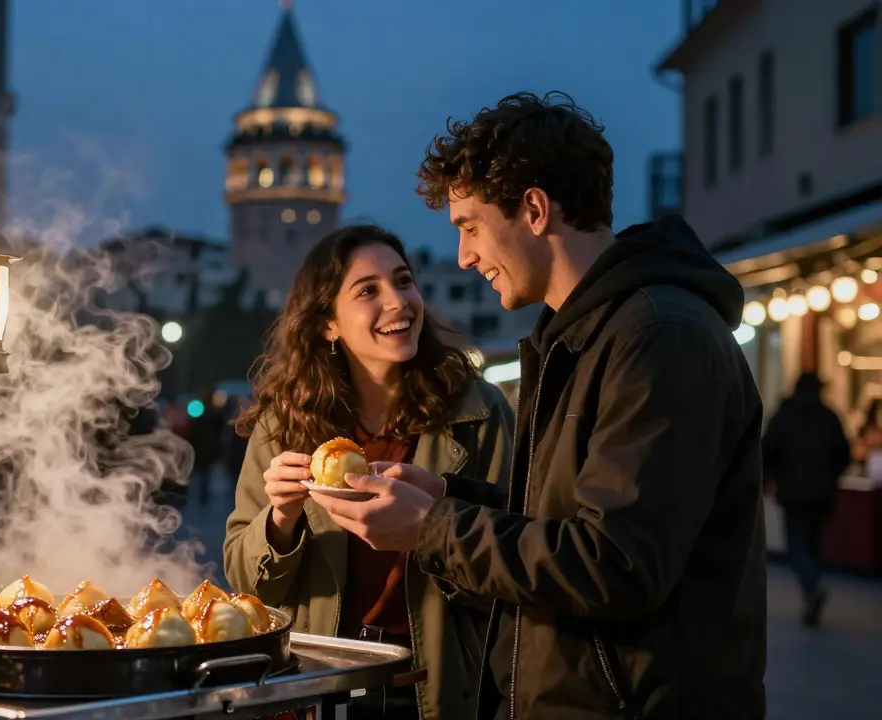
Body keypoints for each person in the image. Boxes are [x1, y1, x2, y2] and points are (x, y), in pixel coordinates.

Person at [308, 92, 767, 719]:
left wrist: (433, 528)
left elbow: (617, 563)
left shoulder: (660, 335)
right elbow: (565, 521)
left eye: (470, 227)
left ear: (533, 208)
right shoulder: (583, 336)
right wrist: (445, 496)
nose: (465, 256)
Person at [223, 224, 513, 720]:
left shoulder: (477, 412)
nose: (398, 301)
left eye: (404, 281)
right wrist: (281, 520)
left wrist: (431, 527)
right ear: (327, 324)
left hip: (437, 683)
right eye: (368, 291)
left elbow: (515, 548)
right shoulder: (284, 423)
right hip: (320, 684)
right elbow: (247, 585)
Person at [762, 372, 850, 627]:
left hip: (793, 491)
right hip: (822, 493)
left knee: (797, 546)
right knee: (815, 543)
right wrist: (831, 477)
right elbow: (843, 453)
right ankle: (812, 588)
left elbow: (767, 450)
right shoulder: (829, 417)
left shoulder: (784, 416)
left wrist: (770, 477)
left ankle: (811, 586)